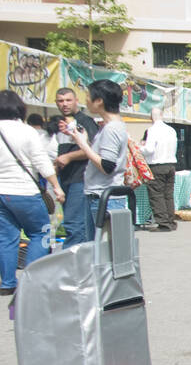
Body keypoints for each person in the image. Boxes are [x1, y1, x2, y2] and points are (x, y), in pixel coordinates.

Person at [0, 90, 65, 295]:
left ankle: (8, 283)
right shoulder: (27, 131)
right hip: (25, 191)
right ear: (19, 107)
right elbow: (41, 161)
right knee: (40, 233)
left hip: (1, 193)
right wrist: (56, 186)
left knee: (6, 237)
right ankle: (31, 280)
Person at [66, 79, 130, 218]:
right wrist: (86, 141)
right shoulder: (110, 126)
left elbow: (107, 166)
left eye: (88, 97)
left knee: (103, 240)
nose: (86, 101)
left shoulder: (111, 128)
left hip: (104, 198)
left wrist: (82, 144)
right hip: (101, 196)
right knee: (98, 240)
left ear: (99, 101)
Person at [47, 87, 98, 246]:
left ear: (77, 101)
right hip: (65, 179)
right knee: (73, 224)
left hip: (81, 179)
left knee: (74, 225)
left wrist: (69, 157)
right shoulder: (58, 124)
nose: (64, 104)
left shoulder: (85, 122)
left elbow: (93, 149)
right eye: (61, 101)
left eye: (68, 100)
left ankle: (73, 264)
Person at [142, 108, 178, 231]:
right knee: (168, 195)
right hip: (171, 164)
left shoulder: (152, 130)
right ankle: (171, 221)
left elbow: (149, 150)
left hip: (157, 165)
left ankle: (163, 223)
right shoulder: (171, 130)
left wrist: (138, 148)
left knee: (156, 195)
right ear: (162, 116)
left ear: (151, 117)